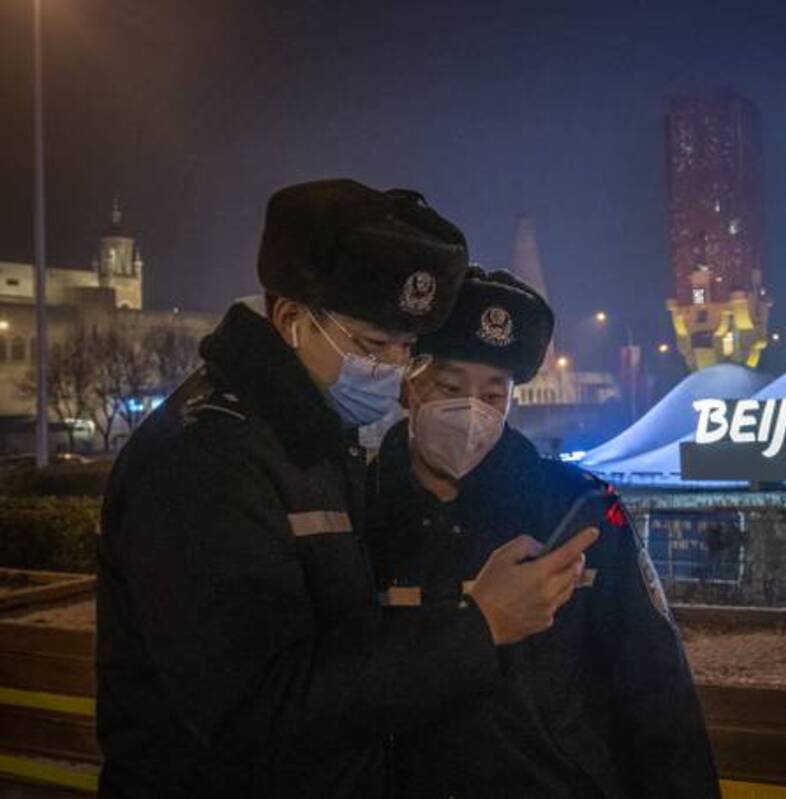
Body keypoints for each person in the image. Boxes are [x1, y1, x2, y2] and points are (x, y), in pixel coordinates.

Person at [95, 180, 596, 798]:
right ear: (290, 319)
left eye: (405, 347)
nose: (387, 367)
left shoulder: (310, 437)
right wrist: (478, 625)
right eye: (369, 343)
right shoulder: (205, 459)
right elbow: (254, 709)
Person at [366, 267, 720, 798]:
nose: (472, 410)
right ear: (407, 384)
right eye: (449, 385)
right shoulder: (359, 506)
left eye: (493, 392)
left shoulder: (579, 509)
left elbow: (657, 695)